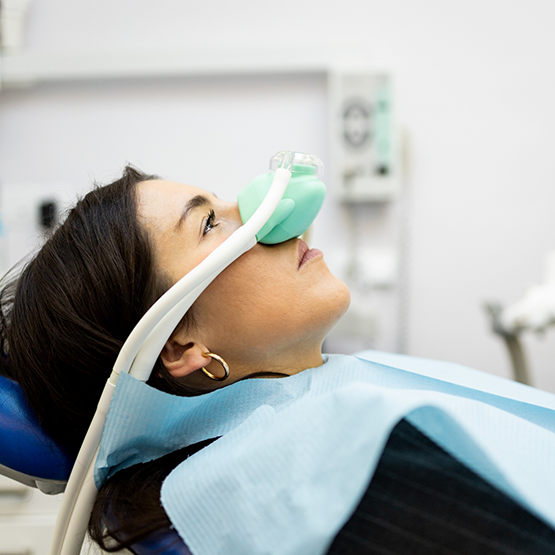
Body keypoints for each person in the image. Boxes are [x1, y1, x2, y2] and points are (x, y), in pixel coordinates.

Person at [1, 166, 555, 555]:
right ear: (180, 346)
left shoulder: (320, 419)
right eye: (210, 224)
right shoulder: (321, 473)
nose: (270, 214)